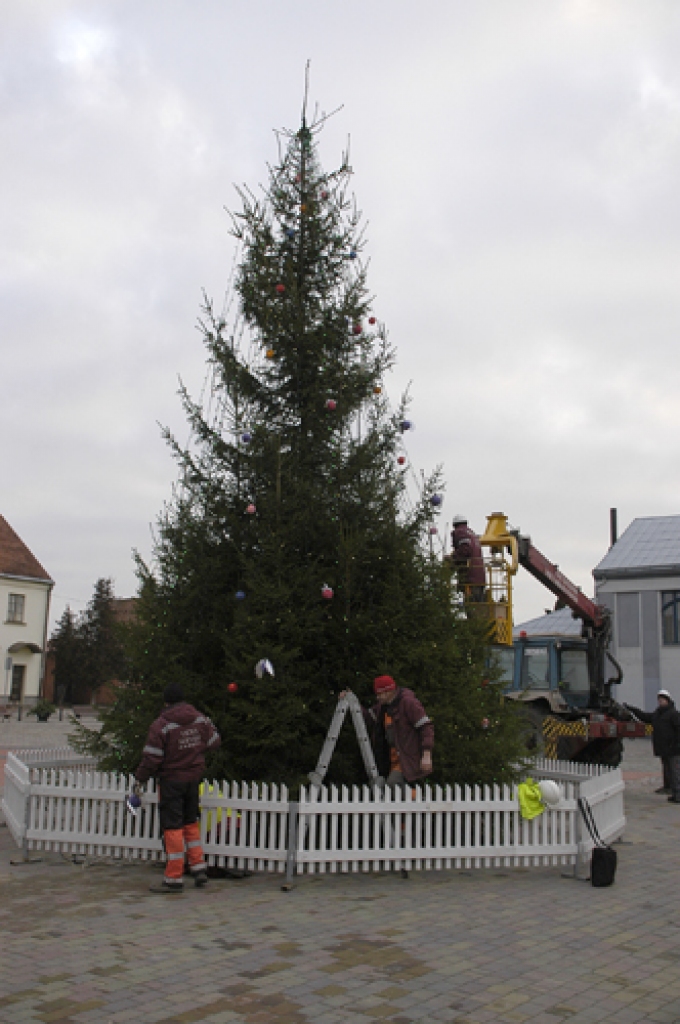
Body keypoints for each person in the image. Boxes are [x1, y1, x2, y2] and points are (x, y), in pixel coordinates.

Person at [135, 683, 221, 892]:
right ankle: (198, 868)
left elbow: (152, 758)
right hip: (193, 779)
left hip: (172, 780)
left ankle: (174, 878)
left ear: (166, 702)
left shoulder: (161, 725)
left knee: (172, 827)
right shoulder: (200, 718)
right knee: (190, 821)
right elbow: (215, 741)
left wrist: (140, 778)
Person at [361, 675, 434, 790]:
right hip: (390, 760)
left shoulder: (408, 703)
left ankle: (419, 800)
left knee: (393, 784)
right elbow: (368, 718)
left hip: (407, 760)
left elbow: (426, 727)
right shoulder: (382, 708)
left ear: (388, 692)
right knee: (378, 787)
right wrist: (352, 702)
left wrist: (426, 755)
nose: (377, 697)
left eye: (379, 694)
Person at [624, 689, 680, 802]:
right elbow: (644, 717)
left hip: (673, 748)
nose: (660, 702)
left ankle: (678, 794)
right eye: (659, 700)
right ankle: (672, 791)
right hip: (664, 748)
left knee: (675, 772)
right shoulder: (657, 714)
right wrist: (632, 709)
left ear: (668, 701)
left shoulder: (673, 714)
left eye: (662, 700)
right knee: (668, 770)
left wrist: (676, 745)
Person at [446, 514, 485, 603]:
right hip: (480, 575)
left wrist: (452, 557)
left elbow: (465, 550)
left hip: (470, 576)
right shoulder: (472, 534)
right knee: (478, 604)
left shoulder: (460, 532)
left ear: (454, 525)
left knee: (472, 607)